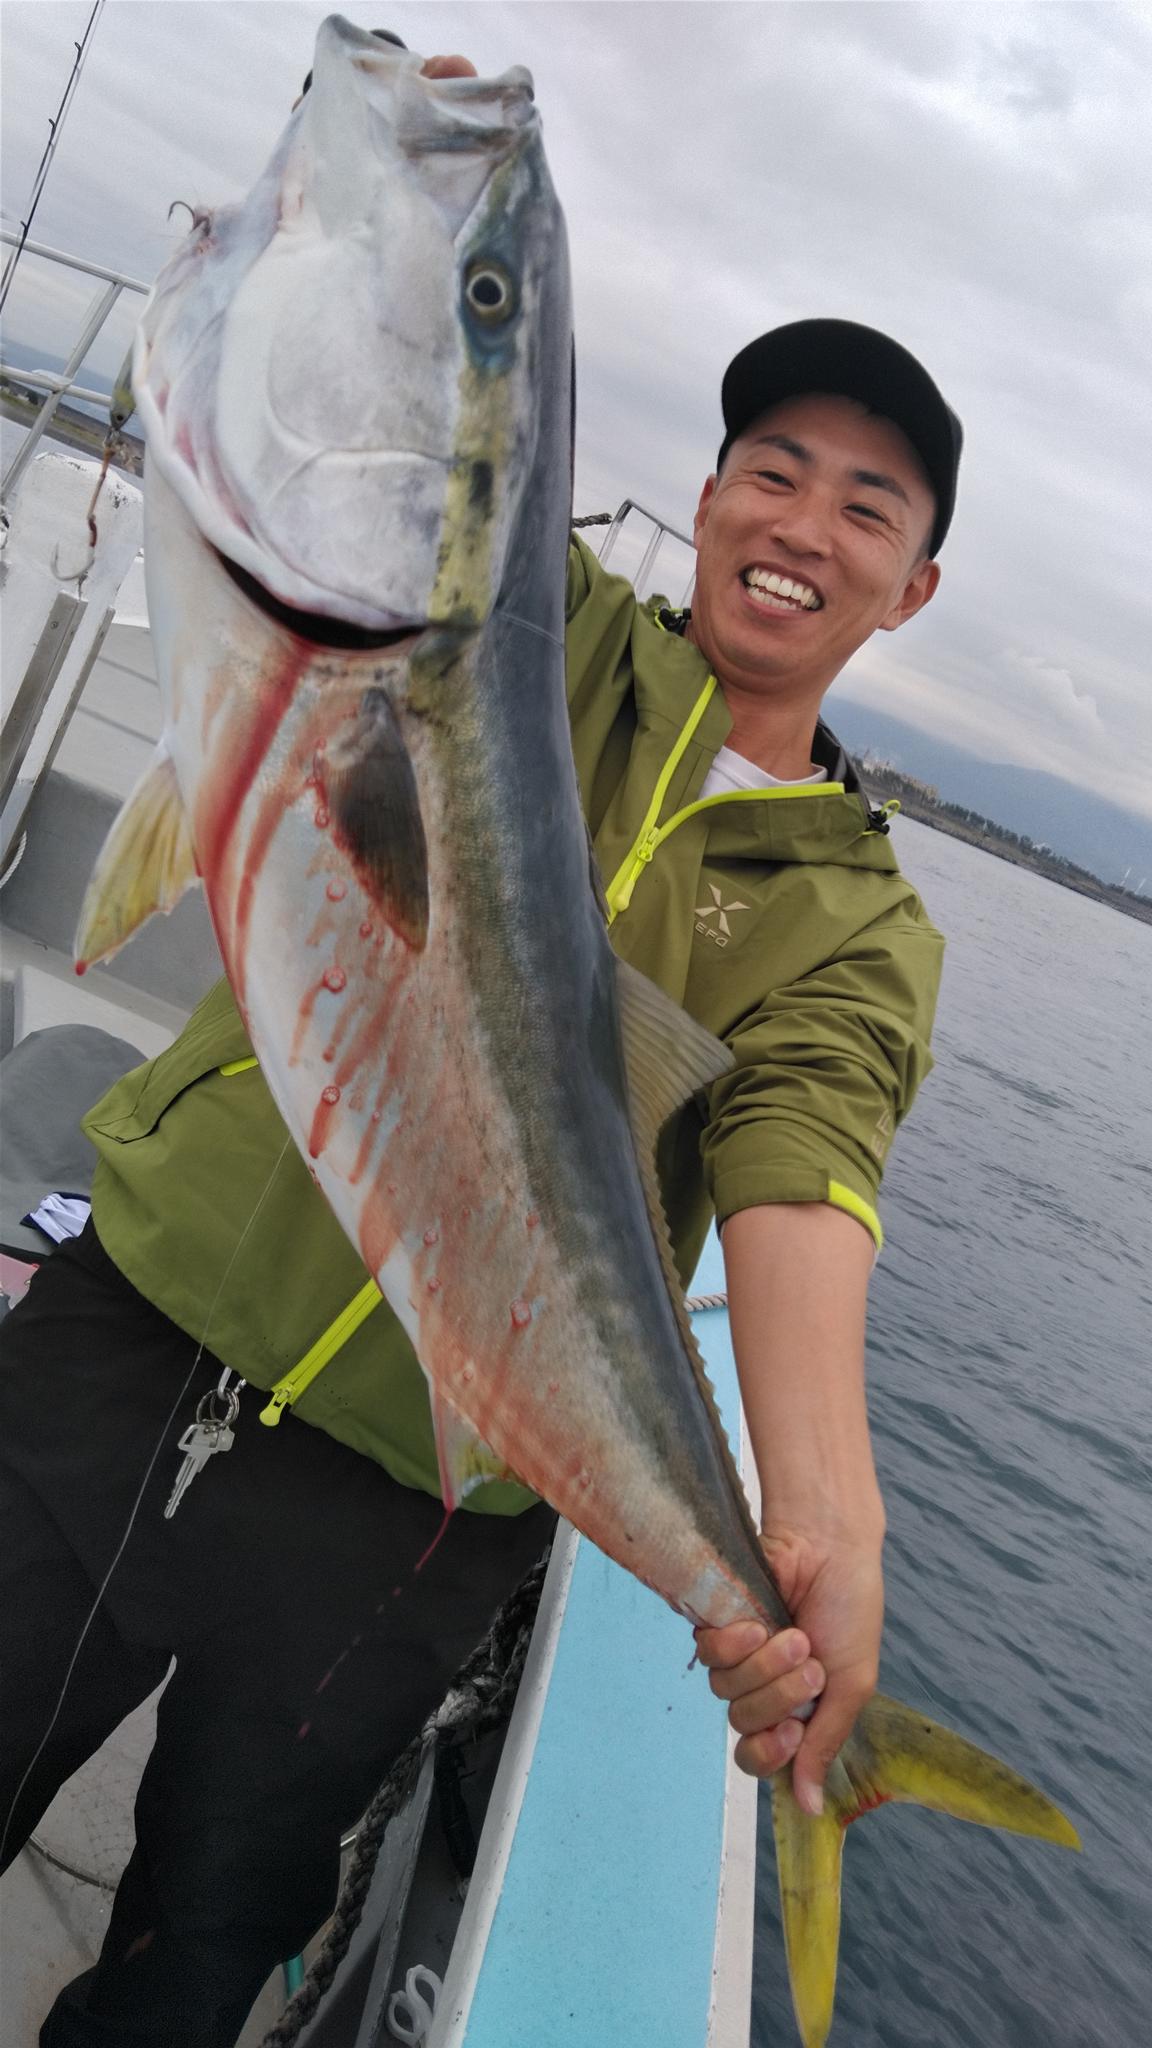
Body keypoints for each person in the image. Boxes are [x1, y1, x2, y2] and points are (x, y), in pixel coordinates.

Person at [0, 37, 960, 2048]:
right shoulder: (531, 637)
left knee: (196, 1955)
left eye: (865, 503)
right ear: (706, 496)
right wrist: (405, 241)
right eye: (771, 467)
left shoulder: (857, 929)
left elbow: (801, 1188)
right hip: (139, 1315)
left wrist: (819, 1530)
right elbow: (393, 452)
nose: (802, 519)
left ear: (913, 584)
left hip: (408, 1520)